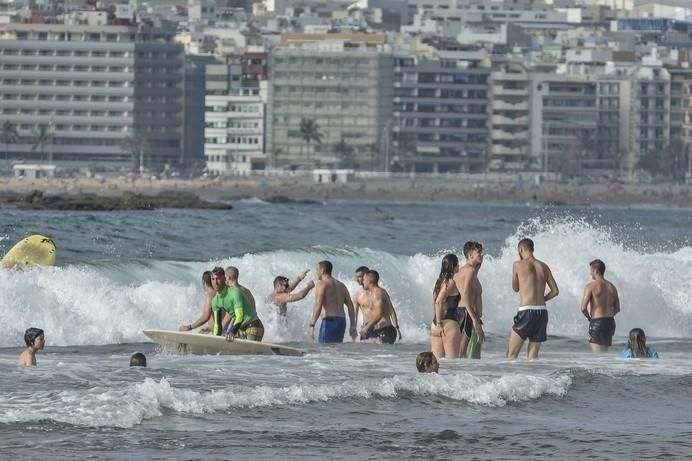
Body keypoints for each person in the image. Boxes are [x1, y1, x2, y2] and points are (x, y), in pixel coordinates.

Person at [507, 238, 559, 359]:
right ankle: (533, 378)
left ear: (521, 249)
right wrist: (542, 299)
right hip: (542, 312)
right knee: (533, 357)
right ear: (532, 249)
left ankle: (512, 378)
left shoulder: (517, 264)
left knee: (511, 354)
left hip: (526, 311)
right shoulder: (544, 266)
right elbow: (555, 291)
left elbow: (515, 288)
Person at [308, 260, 357, 343]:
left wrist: (312, 325)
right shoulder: (341, 285)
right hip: (341, 321)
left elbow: (318, 305)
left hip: (329, 322)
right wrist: (352, 325)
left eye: (317, 269)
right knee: (336, 350)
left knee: (324, 349)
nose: (316, 272)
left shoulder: (322, 284)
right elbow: (350, 305)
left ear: (322, 270)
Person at [580, 259, 620, 353]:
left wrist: (588, 317)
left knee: (597, 357)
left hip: (597, 322)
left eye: (591, 271)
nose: (590, 273)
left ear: (595, 270)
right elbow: (617, 308)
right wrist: (608, 315)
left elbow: (583, 308)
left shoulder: (590, 286)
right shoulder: (612, 287)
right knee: (604, 356)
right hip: (610, 323)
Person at [454, 241, 485, 359]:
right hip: (467, 315)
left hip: (464, 314)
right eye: (479, 252)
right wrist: (476, 322)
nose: (481, 255)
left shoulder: (465, 271)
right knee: (462, 355)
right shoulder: (470, 271)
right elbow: (465, 298)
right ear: (470, 255)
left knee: (468, 356)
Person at [431, 254, 463, 359]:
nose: (459, 266)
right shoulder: (450, 282)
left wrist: (437, 322)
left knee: (436, 364)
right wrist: (440, 323)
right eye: (457, 263)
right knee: (452, 364)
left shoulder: (439, 282)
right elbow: (439, 302)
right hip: (448, 325)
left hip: (435, 325)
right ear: (454, 266)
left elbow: (434, 302)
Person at [358, 270, 401, 344]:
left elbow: (379, 314)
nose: (362, 282)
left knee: (380, 354)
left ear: (369, 281)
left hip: (384, 330)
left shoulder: (377, 293)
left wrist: (366, 327)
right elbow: (391, 310)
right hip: (378, 330)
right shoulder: (382, 291)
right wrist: (397, 327)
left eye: (364, 280)